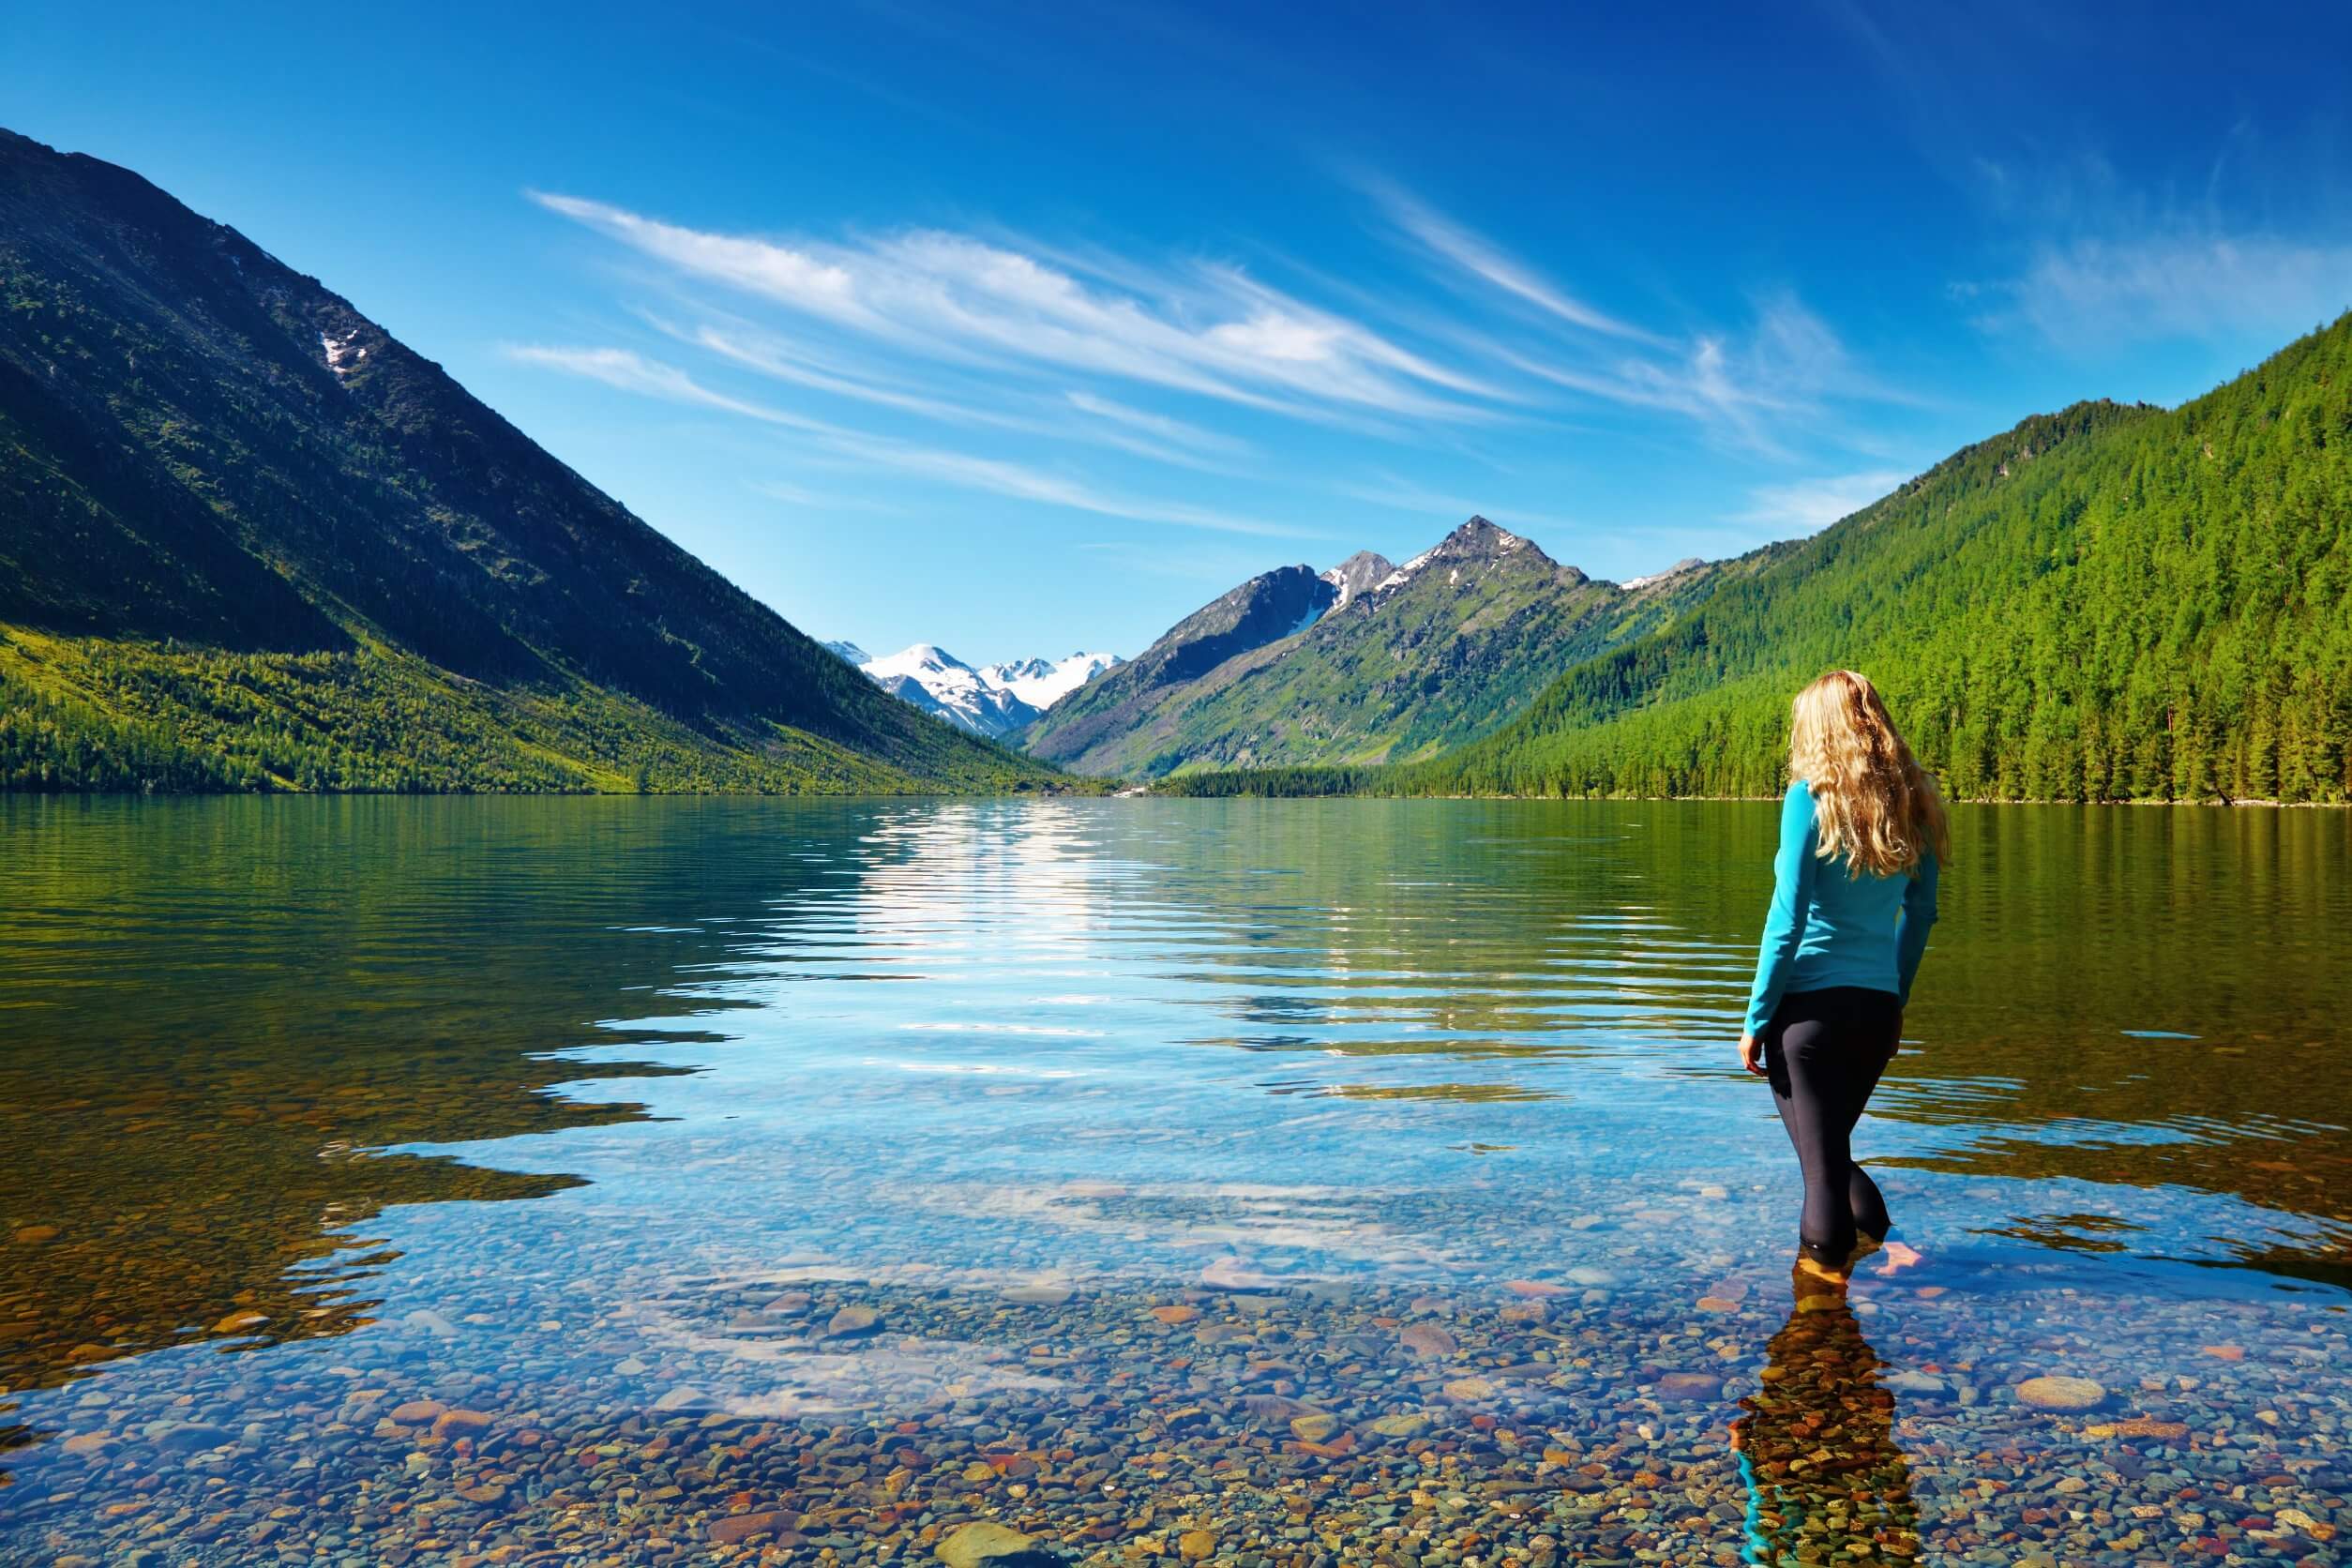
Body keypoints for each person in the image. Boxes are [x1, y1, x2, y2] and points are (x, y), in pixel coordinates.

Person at [1739, 671, 1948, 1272]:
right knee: (1830, 1154)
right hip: (1875, 1013)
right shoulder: (1918, 804)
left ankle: (1821, 1307)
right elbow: (1922, 914)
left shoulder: (1809, 798)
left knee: (1822, 1169)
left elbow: (1787, 918)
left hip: (1808, 1018)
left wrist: (1756, 1020)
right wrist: (1895, 1000)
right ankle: (1892, 1247)